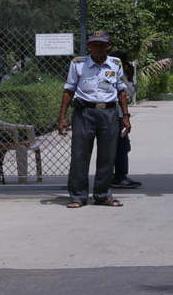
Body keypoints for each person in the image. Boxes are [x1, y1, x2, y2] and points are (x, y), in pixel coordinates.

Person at [56, 30, 131, 207]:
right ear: (89, 46)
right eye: (94, 44)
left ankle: (102, 195)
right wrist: (62, 118)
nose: (98, 48)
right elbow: (69, 90)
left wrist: (126, 116)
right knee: (79, 155)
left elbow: (121, 91)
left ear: (108, 46)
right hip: (84, 113)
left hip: (109, 113)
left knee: (107, 156)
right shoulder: (78, 64)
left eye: (102, 44)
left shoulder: (115, 64)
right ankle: (78, 196)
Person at [109, 48, 142, 189]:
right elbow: (129, 91)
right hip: (116, 115)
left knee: (112, 147)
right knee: (122, 147)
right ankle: (120, 177)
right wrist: (130, 79)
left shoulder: (108, 70)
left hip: (111, 114)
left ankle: (109, 175)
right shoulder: (118, 73)